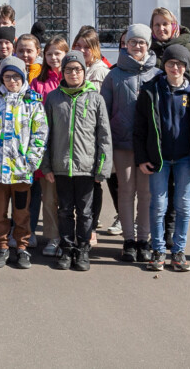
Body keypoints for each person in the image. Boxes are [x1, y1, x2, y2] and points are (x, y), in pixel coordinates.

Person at [134, 44, 190, 272]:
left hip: (185, 159)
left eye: (180, 64)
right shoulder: (151, 90)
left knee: (183, 205)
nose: (175, 68)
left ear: (186, 67)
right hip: (158, 158)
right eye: (170, 63)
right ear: (164, 65)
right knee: (158, 205)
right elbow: (139, 128)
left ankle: (178, 251)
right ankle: (158, 250)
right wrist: (141, 158)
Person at [41, 51, 112, 271]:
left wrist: (102, 168)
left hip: (86, 168)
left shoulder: (95, 98)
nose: (73, 73)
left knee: (85, 212)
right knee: (64, 210)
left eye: (78, 69)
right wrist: (46, 165)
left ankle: (82, 250)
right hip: (61, 167)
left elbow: (104, 136)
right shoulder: (54, 98)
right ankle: (66, 248)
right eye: (69, 69)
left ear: (84, 72)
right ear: (62, 72)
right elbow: (45, 134)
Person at [0, 56, 47, 269]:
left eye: (16, 77)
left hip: (21, 170)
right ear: (2, 78)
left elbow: (40, 132)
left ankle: (22, 247)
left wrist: (32, 160)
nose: (12, 81)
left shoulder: (32, 101)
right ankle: (2, 246)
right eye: (7, 77)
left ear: (23, 77)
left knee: (21, 211)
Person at [101, 24, 160, 263]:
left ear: (148, 46)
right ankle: (128, 241)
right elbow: (103, 111)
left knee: (146, 193)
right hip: (122, 142)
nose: (137, 46)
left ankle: (143, 240)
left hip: (147, 145)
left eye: (142, 42)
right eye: (133, 42)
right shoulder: (114, 75)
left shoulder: (156, 75)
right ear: (126, 44)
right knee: (126, 190)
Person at [72, 26, 113, 242]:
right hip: (76, 136)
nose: (81, 50)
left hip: (93, 135)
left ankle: (92, 228)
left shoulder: (101, 72)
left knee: (94, 185)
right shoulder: (74, 68)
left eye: (86, 47)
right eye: (77, 46)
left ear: (95, 49)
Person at [30, 35, 69, 257]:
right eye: (50, 54)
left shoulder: (74, 77)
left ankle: (68, 237)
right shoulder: (38, 82)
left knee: (68, 199)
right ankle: (52, 237)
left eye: (58, 53)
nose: (54, 58)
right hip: (46, 147)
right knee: (50, 197)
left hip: (70, 148)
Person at [149, 7, 190, 79]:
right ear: (152, 27)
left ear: (173, 25)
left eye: (165, 24)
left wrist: (185, 73)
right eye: (157, 25)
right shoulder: (147, 50)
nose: (161, 28)